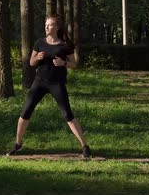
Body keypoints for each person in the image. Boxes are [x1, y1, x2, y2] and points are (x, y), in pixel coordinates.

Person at [7, 15, 91, 158]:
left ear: (56, 27)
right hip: (39, 83)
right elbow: (31, 63)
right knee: (25, 113)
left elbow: (74, 64)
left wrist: (63, 63)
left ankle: (85, 147)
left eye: (50, 25)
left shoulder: (64, 45)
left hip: (56, 84)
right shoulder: (39, 42)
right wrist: (37, 58)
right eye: (46, 25)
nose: (46, 27)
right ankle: (18, 144)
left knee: (67, 114)